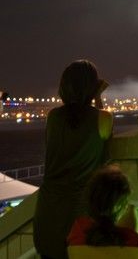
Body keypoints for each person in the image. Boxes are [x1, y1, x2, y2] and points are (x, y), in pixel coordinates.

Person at [34, 60, 113, 259]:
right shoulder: (103, 118)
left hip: (46, 221)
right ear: (93, 88)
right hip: (82, 222)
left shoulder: (53, 118)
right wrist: (97, 97)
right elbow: (102, 128)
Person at [68, 164, 138, 253]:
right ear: (120, 207)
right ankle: (131, 208)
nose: (126, 206)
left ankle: (132, 209)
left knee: (135, 212)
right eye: (125, 202)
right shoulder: (132, 239)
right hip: (131, 248)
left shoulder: (78, 228)